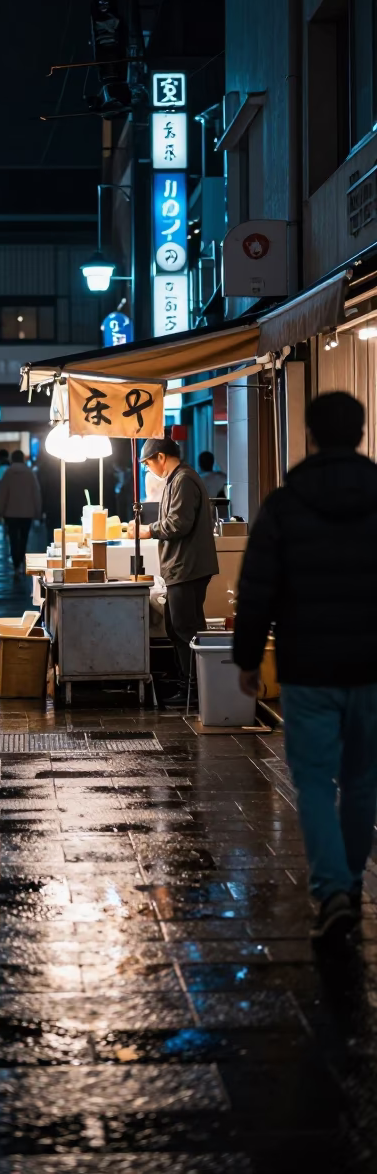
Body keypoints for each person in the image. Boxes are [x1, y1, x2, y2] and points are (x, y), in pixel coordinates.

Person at [233, 391, 377, 945]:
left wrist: (247, 660)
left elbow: (257, 588)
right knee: (364, 780)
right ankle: (350, 881)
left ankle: (332, 890)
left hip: (308, 668)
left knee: (316, 781)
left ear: (310, 435)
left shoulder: (286, 503)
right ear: (360, 434)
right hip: (371, 667)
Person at [130, 437, 218, 704]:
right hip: (180, 566)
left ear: (160, 456)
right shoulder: (175, 479)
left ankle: (195, 691)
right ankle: (188, 686)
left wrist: (148, 530)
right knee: (176, 627)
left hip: (187, 566)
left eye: (147, 464)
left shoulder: (183, 480)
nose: (148, 470)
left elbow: (179, 524)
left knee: (185, 628)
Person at [0, 448, 42, 572]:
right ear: (23, 459)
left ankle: (15, 561)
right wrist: (38, 511)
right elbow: (36, 493)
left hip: (10, 513)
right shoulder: (30, 473)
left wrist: (0, 510)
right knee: (24, 537)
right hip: (27, 513)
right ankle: (21, 558)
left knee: (12, 538)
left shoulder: (8, 473)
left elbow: (2, 494)